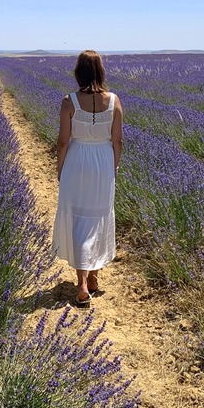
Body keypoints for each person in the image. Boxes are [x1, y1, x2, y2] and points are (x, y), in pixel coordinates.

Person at [53, 49, 123, 306]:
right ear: (101, 71)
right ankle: (93, 277)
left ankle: (82, 283)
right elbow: (118, 141)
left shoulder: (69, 101)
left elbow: (62, 142)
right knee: (98, 217)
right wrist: (112, 169)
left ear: (78, 72)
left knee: (79, 219)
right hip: (103, 162)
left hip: (77, 161)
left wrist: (60, 169)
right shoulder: (114, 100)